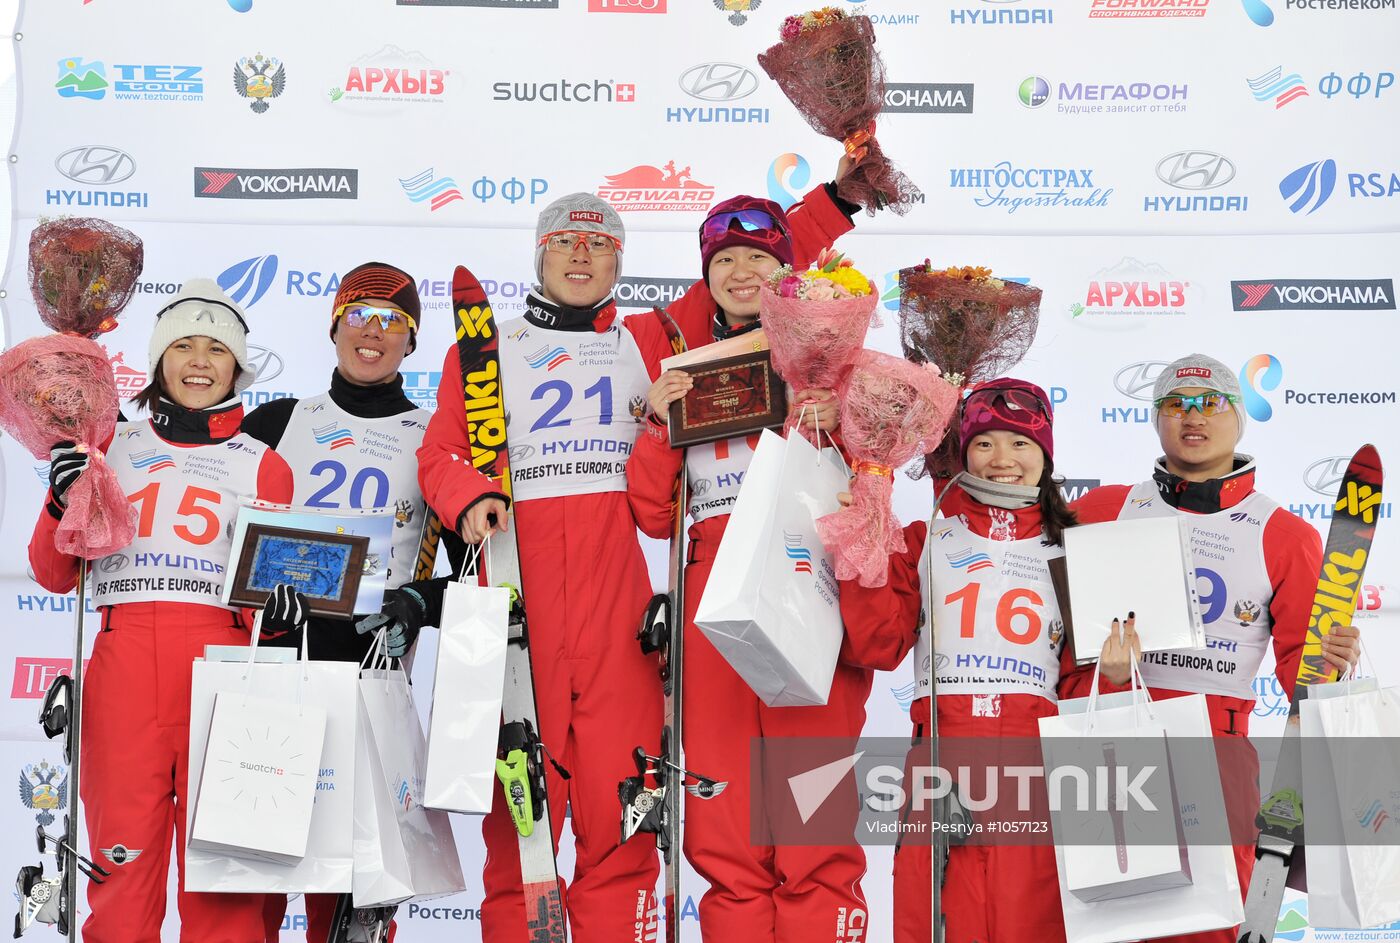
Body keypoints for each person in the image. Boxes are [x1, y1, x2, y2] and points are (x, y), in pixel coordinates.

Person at [623, 163, 885, 943]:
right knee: (725, 821)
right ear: (705, 277)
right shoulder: (681, 365)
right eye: (724, 261)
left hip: (808, 577)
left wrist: (839, 419)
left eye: (761, 258)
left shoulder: (838, 362)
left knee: (810, 813)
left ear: (786, 272)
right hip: (714, 592)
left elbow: (877, 481)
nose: (741, 272)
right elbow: (650, 514)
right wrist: (656, 425)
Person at [417, 193, 672, 943]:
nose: (582, 255)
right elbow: (439, 454)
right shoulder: (486, 349)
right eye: (565, 243)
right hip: (516, 607)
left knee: (623, 824)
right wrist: (467, 497)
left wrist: (842, 200)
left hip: (616, 613)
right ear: (540, 255)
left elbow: (742, 283)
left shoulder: (646, 342)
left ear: (620, 262)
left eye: (599, 245)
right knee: (519, 837)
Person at [28, 280, 294, 943]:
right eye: (182, 345)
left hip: (228, 668)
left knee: (224, 885)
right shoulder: (106, 449)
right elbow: (53, 574)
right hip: (124, 662)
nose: (199, 360)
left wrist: (289, 618)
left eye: (216, 348)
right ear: (157, 362)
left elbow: (281, 597)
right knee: (121, 874)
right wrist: (61, 500)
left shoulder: (265, 464)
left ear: (237, 366)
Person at [1064, 353, 1361, 943]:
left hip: (1215, 746)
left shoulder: (1284, 532)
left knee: (1207, 927)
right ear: (1155, 418)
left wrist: (1332, 666)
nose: (1192, 417)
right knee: (1103, 922)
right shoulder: (1099, 511)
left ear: (1238, 417)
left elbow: (1301, 671)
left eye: (1211, 403)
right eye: (1176, 403)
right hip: (1112, 737)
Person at [837, 378, 1140, 943]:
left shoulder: (1075, 547)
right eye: (985, 444)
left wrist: (1114, 679)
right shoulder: (926, 536)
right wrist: (864, 546)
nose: (1003, 459)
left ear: (1046, 456)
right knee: (933, 919)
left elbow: (1079, 688)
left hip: (1037, 761)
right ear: (964, 452)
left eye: (1021, 444)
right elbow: (877, 644)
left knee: (1031, 919)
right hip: (940, 754)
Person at [243, 261, 452, 942]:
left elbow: (475, 571)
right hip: (278, 670)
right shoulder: (275, 421)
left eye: (395, 322)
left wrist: (420, 601)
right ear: (335, 325)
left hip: (373, 680)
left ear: (412, 343)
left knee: (353, 905)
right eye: (360, 315)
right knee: (255, 882)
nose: (374, 333)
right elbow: (224, 545)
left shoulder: (437, 441)